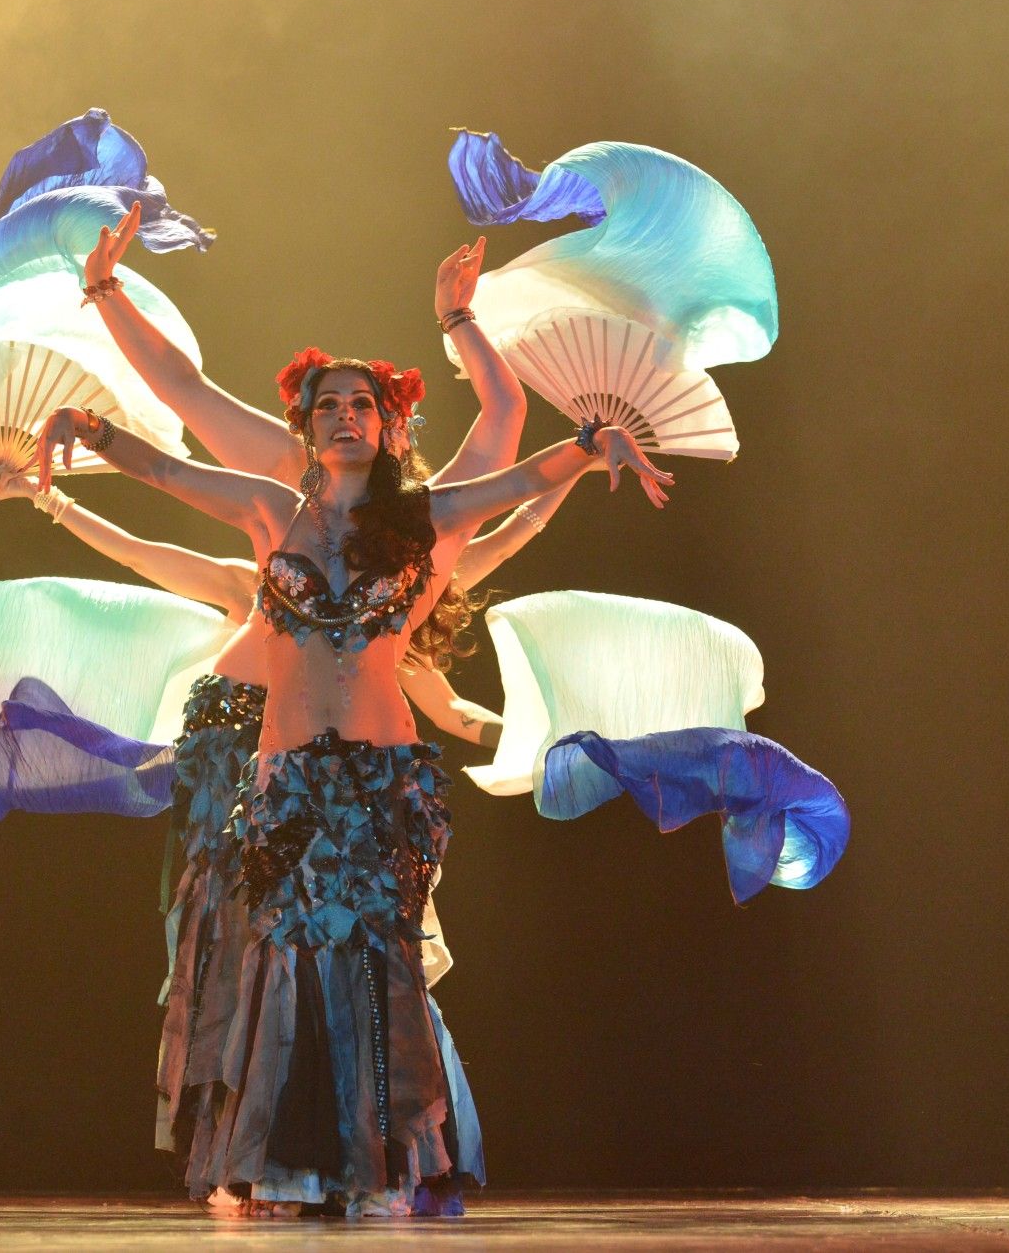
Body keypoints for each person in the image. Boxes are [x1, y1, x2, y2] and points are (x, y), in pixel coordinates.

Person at [33, 318, 670, 1215]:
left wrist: (594, 442)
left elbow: (522, 478)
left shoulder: (426, 519)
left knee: (379, 962)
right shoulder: (270, 510)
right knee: (285, 960)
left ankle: (384, 1166)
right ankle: (293, 1165)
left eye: (360, 404)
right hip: (285, 775)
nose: (344, 416)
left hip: (382, 777)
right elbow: (170, 475)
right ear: (306, 426)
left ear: (385, 423)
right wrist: (91, 430)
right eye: (327, 405)